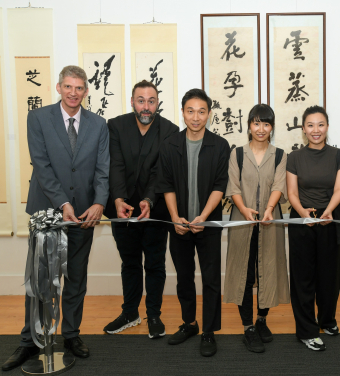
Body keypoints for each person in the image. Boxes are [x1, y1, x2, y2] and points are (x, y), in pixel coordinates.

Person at [2, 65, 109, 371]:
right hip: (47, 212)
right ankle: (28, 342)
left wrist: (99, 202)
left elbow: (103, 169)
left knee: (76, 278)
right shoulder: (38, 118)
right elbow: (42, 165)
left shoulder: (98, 124)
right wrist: (63, 202)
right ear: (59, 87)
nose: (74, 93)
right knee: (40, 282)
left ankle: (72, 335)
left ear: (86, 91)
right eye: (68, 87)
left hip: (84, 216)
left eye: (79, 88)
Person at [155, 88, 230, 357]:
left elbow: (220, 186)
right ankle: (189, 323)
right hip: (178, 225)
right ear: (183, 112)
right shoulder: (170, 145)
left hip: (208, 226)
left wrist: (204, 217)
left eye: (201, 111)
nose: (195, 117)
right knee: (184, 278)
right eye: (190, 111)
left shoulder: (220, 145)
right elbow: (166, 185)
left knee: (211, 279)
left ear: (209, 114)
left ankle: (209, 331)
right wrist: (175, 218)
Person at [103, 80, 178, 338]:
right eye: (141, 100)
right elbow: (115, 165)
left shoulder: (170, 130)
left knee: (155, 264)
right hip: (121, 208)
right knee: (130, 262)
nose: (146, 107)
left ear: (158, 103)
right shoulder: (115, 126)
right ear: (132, 102)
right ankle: (130, 312)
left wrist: (148, 199)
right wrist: (118, 200)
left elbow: (162, 171)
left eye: (151, 101)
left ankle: (153, 315)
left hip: (155, 208)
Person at [224, 104, 290, 353]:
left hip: (270, 223)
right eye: (256, 123)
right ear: (249, 125)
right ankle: (247, 327)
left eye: (266, 123)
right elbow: (233, 187)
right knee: (244, 273)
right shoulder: (237, 154)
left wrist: (270, 208)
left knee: (268, 271)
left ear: (272, 127)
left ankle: (262, 320)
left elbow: (279, 184)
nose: (261, 129)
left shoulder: (281, 154)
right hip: (242, 223)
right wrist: (244, 209)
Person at [286, 105, 340, 351]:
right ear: (303, 129)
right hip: (302, 221)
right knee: (303, 279)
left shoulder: (339, 154)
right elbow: (291, 192)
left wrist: (327, 212)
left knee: (329, 276)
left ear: (327, 127)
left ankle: (327, 319)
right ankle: (306, 330)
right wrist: (303, 214)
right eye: (310, 125)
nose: (316, 130)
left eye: (320, 124)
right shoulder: (294, 157)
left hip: (329, 219)